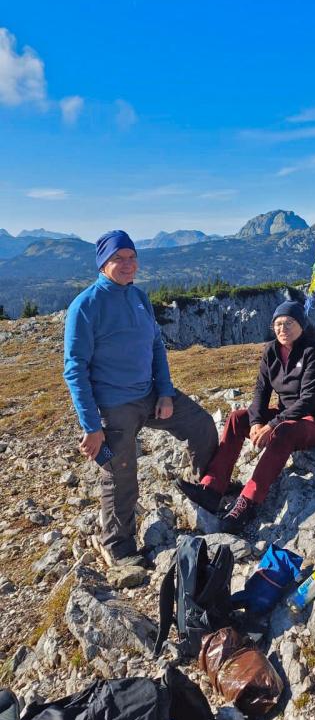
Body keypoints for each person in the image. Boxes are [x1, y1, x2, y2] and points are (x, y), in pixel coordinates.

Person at [63, 230, 218, 567]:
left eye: (132, 257)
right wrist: (91, 427)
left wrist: (164, 392)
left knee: (202, 425)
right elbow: (74, 370)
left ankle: (206, 488)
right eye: (119, 258)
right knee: (120, 474)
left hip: (149, 393)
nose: (128, 264)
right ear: (103, 264)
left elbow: (156, 347)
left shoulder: (139, 297)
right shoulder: (86, 306)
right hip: (114, 405)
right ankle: (118, 548)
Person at [176, 300, 315, 534]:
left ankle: (247, 502)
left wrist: (272, 424)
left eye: (289, 323)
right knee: (236, 418)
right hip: (286, 415)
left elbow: (309, 400)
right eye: (278, 324)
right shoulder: (271, 351)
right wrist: (256, 422)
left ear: (301, 325)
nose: (283, 329)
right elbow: (261, 390)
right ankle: (212, 488)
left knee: (284, 431)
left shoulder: (314, 351)